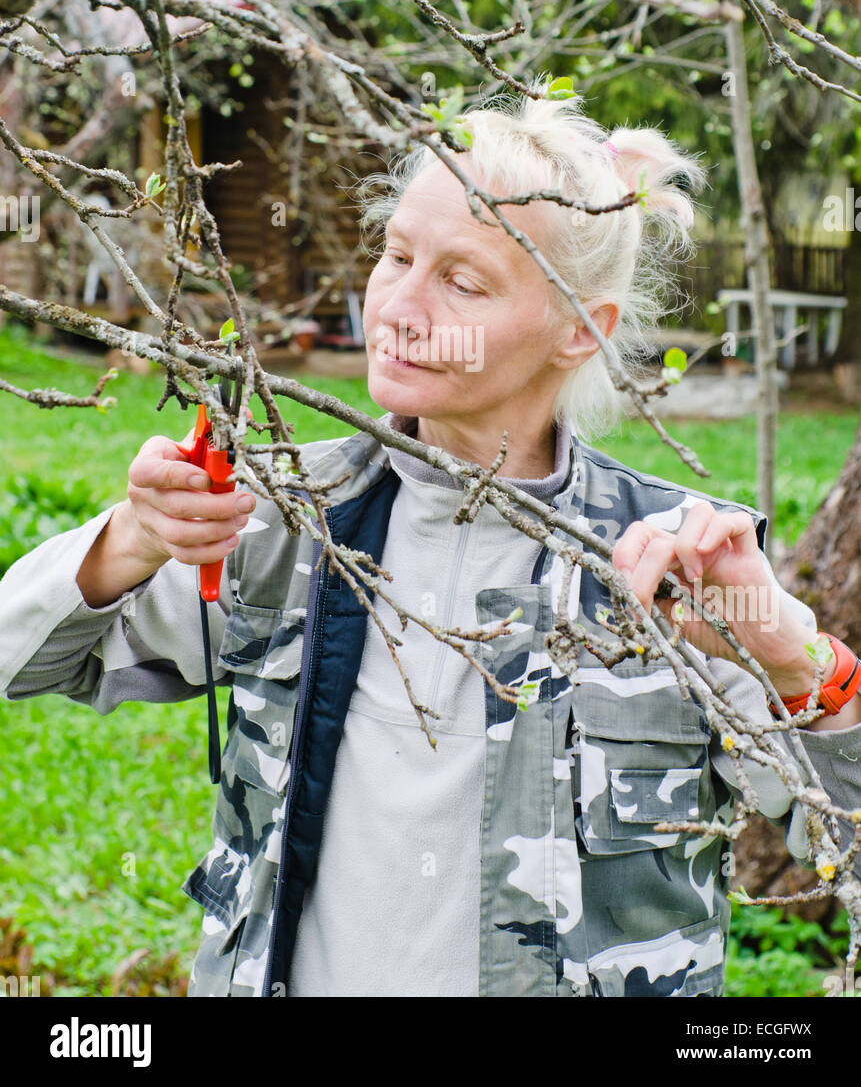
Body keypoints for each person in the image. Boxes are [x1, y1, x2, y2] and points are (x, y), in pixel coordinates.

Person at [1, 91, 859, 999]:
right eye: (395, 254)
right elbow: (20, 662)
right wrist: (131, 539)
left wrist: (790, 661)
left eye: (462, 279)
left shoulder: (680, 572)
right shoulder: (284, 522)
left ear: (581, 327)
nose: (399, 306)